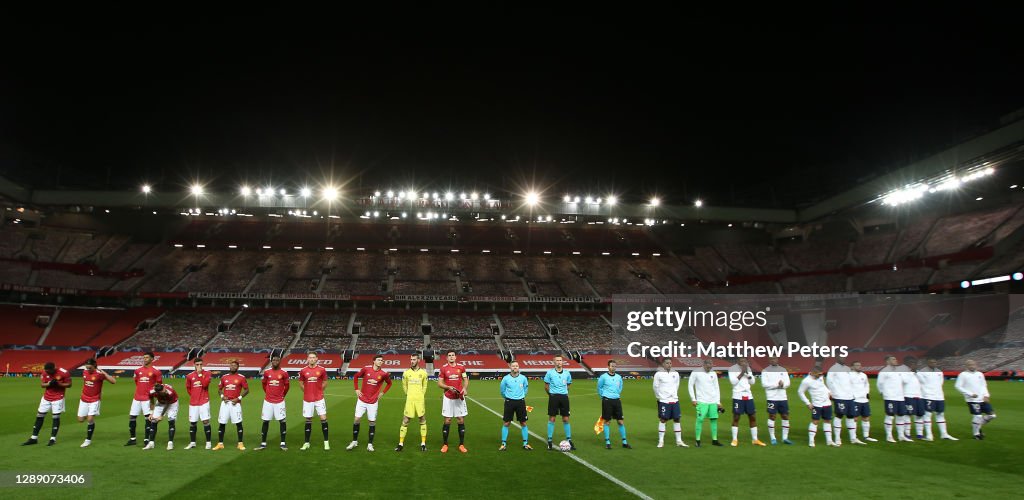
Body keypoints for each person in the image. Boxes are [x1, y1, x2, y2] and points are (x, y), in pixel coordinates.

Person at [348, 354, 393, 452]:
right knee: (356, 419)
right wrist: (356, 389)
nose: (381, 361)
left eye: (382, 360)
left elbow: (389, 383)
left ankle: (370, 444)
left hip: (373, 401)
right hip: (362, 399)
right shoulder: (366, 369)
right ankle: (354, 441)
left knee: (372, 421)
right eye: (379, 360)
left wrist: (382, 393)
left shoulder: (384, 373)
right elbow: (356, 377)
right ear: (374, 361)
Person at [23, 361, 71, 446]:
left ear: (54, 368)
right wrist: (49, 383)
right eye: (46, 371)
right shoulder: (45, 372)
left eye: (49, 371)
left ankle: (53, 438)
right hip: (46, 398)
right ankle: (34, 438)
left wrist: (59, 384)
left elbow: (69, 384)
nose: (47, 372)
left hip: (58, 397)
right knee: (39, 416)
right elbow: (42, 385)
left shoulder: (64, 372)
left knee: (55, 417)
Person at [954, 359, 996, 440]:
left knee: (992, 415)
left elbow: (984, 385)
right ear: (966, 366)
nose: (972, 366)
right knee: (978, 416)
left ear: (976, 365)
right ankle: (976, 434)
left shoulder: (980, 374)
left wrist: (986, 395)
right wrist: (970, 394)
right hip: (972, 400)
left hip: (982, 398)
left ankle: (977, 426)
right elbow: (958, 386)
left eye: (973, 364)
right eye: (970, 364)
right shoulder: (963, 375)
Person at [78, 358, 115, 448]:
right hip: (84, 399)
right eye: (87, 368)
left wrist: (104, 373)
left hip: (94, 399)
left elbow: (113, 381)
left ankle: (88, 440)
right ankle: (90, 416)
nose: (88, 370)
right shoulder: (84, 372)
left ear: (94, 366)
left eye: (90, 368)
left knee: (90, 419)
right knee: (80, 420)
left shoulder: (99, 374)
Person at [126, 352, 162, 447]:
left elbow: (158, 386)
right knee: (132, 417)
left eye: (147, 357)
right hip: (137, 397)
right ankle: (132, 438)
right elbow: (136, 382)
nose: (145, 359)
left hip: (147, 398)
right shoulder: (138, 370)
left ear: (152, 359)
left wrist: (152, 399)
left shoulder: (156, 371)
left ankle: (146, 439)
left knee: (148, 419)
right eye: (144, 357)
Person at [728, 358, 765, 447]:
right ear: (738, 361)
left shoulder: (748, 369)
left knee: (752, 416)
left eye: (745, 361)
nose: (744, 363)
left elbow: (752, 382)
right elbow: (733, 382)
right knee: (736, 417)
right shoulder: (732, 369)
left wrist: (748, 374)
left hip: (748, 395)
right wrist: (742, 373)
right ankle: (734, 439)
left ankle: (755, 439)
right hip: (737, 395)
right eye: (742, 361)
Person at [917, 358, 956, 441]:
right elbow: (922, 383)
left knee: (940, 414)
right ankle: (929, 435)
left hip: (939, 396)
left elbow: (941, 383)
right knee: (928, 415)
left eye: (935, 362)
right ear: (927, 362)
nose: (933, 363)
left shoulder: (939, 372)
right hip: (928, 396)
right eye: (931, 362)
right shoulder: (921, 372)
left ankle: (944, 434)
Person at [213, 360, 249, 451]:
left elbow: (246, 390)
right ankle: (220, 443)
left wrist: (238, 398)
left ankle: (240, 443)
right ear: (229, 366)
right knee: (222, 423)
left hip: (235, 404)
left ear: (238, 367)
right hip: (225, 404)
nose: (232, 367)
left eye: (234, 366)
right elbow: (219, 389)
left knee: (238, 423)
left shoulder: (241, 377)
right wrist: (222, 396)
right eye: (231, 365)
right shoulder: (224, 377)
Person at [437, 350, 469, 453]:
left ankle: (461, 444)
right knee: (448, 420)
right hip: (448, 397)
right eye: (449, 355)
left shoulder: (461, 367)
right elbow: (439, 383)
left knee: (460, 419)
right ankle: (445, 444)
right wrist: (447, 387)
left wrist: (465, 388)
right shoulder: (443, 368)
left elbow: (465, 379)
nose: (451, 357)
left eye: (453, 355)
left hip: (459, 397)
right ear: (447, 358)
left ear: (455, 357)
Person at [257, 354, 290, 451]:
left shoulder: (284, 373)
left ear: (280, 361)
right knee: (265, 421)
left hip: (279, 401)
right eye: (273, 360)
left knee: (282, 421)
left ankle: (283, 443)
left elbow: (287, 386)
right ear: (271, 361)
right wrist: (268, 393)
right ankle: (263, 443)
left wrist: (282, 395)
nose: (275, 361)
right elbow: (264, 384)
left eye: (277, 360)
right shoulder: (267, 372)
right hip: (268, 401)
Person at [396, 353, 428, 452]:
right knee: (405, 420)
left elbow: (425, 386)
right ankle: (400, 444)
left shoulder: (423, 373)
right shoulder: (406, 373)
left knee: (422, 419)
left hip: (419, 400)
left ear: (418, 360)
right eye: (411, 359)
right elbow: (404, 385)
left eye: (414, 359)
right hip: (410, 400)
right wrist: (408, 394)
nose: (412, 361)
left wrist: (421, 395)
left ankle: (423, 443)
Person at [652, 358, 687, 448]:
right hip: (664, 400)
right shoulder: (658, 374)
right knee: (663, 419)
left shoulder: (675, 373)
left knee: (677, 419)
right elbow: (655, 387)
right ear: (663, 364)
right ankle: (661, 441)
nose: (669, 365)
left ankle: (679, 441)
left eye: (670, 363)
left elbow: (677, 385)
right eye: (667, 363)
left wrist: (674, 394)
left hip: (674, 400)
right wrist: (659, 397)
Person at [688, 358, 723, 447]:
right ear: (704, 364)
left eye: (711, 366)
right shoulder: (696, 372)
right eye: (708, 367)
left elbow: (716, 387)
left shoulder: (713, 373)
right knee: (700, 419)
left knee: (714, 419)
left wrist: (718, 401)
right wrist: (693, 399)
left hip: (713, 401)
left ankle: (714, 440)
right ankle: (698, 440)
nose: (709, 368)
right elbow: (690, 385)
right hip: (701, 401)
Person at [798, 367, 836, 447]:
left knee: (827, 421)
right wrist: (808, 403)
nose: (820, 375)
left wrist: (829, 392)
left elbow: (823, 386)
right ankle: (811, 441)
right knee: (815, 421)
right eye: (819, 374)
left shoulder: (820, 377)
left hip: (827, 403)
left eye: (821, 374)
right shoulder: (806, 381)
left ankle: (829, 441)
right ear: (813, 372)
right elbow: (800, 392)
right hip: (816, 404)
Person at [299, 352, 330, 450]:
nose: (312, 359)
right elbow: (300, 383)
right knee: (308, 419)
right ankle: (306, 443)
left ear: (317, 359)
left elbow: (325, 382)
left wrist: (320, 391)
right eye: (310, 357)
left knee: (323, 418)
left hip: (319, 398)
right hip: (308, 399)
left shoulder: (322, 369)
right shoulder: (303, 370)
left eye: (313, 357)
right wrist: (307, 391)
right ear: (307, 359)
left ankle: (326, 442)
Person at [826, 356, 860, 445]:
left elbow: (851, 381)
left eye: (844, 357)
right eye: (841, 357)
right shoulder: (833, 368)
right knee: (839, 415)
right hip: (839, 396)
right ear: (837, 358)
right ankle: (837, 438)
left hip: (849, 397)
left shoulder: (847, 368)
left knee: (851, 416)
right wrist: (833, 393)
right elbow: (829, 381)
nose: (843, 359)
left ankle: (853, 438)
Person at [597, 360, 630, 449]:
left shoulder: (619, 377)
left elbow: (620, 387)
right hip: (607, 400)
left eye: (615, 366)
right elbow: (599, 388)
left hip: (616, 400)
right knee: (607, 422)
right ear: (608, 367)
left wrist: (616, 394)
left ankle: (624, 442)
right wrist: (603, 397)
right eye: (612, 366)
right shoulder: (603, 377)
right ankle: (607, 442)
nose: (613, 367)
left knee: (620, 421)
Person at [499, 361, 532, 451]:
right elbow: (502, 390)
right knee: (507, 423)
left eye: (517, 366)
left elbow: (526, 388)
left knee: (523, 423)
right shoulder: (506, 379)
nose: (515, 367)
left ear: (518, 367)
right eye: (513, 366)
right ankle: (503, 444)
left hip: (520, 402)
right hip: (509, 402)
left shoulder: (523, 378)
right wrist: (507, 398)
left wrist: (522, 396)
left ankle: (525, 443)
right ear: (510, 367)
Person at [543, 354, 573, 451]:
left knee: (566, 419)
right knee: (552, 418)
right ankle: (550, 440)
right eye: (557, 360)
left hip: (564, 397)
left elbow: (568, 385)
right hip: (553, 397)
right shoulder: (550, 373)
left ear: (562, 362)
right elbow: (546, 386)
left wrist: (564, 392)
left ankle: (569, 440)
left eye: (560, 360)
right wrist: (551, 395)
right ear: (554, 362)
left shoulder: (567, 373)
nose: (559, 362)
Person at [877, 355, 909, 442]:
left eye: (896, 359)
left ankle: (901, 436)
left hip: (900, 397)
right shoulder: (884, 371)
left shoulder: (899, 371)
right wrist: (884, 394)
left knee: (901, 416)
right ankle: (889, 436)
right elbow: (879, 384)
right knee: (890, 416)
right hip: (890, 397)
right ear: (887, 361)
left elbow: (905, 381)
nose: (896, 360)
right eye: (893, 359)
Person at [760, 356, 792, 445]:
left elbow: (788, 383)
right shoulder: (765, 371)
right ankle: (773, 437)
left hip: (782, 397)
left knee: (785, 416)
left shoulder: (783, 370)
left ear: (778, 359)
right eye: (771, 359)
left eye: (775, 358)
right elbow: (764, 384)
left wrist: (783, 385)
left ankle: (785, 438)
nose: (773, 360)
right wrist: (777, 385)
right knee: (772, 416)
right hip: (772, 398)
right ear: (769, 360)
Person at [184, 358, 213, 450]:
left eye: (200, 364)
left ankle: (208, 442)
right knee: (192, 422)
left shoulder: (207, 373)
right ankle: (193, 442)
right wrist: (193, 396)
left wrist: (200, 374)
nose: (199, 366)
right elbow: (188, 388)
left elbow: (204, 384)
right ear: (194, 365)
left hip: (204, 401)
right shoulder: (189, 376)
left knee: (205, 421)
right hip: (193, 403)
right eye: (197, 364)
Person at [849, 361, 877, 442]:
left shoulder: (863, 375)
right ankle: (853, 437)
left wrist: (867, 393)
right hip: (855, 399)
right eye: (856, 365)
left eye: (859, 365)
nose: (859, 366)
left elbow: (867, 384)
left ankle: (866, 436)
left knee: (866, 417)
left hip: (864, 399)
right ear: (852, 367)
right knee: (855, 418)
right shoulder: (849, 375)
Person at [146, 383, 179, 450]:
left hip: (172, 403)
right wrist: (151, 412)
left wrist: (161, 416)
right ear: (157, 392)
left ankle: (170, 443)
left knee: (171, 421)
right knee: (153, 421)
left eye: (164, 389)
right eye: (163, 391)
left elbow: (167, 404)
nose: (165, 391)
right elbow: (151, 401)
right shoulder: (151, 392)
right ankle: (151, 443)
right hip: (160, 403)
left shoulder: (170, 393)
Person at [902, 356, 926, 440]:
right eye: (911, 363)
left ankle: (919, 434)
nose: (913, 365)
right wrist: (911, 372)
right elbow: (904, 381)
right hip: (908, 396)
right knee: (908, 415)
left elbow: (923, 381)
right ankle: (907, 434)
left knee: (920, 415)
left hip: (919, 396)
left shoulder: (918, 373)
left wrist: (916, 373)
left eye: (914, 364)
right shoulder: (904, 373)